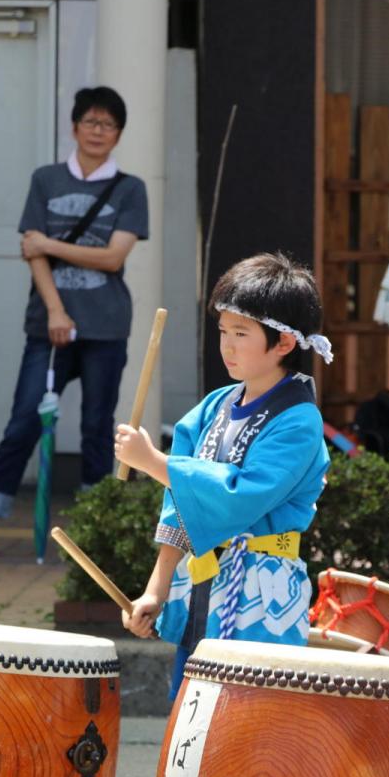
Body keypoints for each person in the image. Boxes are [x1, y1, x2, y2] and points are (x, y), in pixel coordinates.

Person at [0, 86, 148, 559]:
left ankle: (95, 530)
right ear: (74, 127)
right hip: (48, 324)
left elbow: (112, 258)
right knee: (24, 420)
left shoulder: (130, 188)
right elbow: (32, 257)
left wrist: (49, 245)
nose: (98, 131)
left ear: (119, 134)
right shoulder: (46, 180)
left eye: (108, 125)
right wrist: (55, 310)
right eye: (90, 122)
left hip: (107, 326)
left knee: (96, 426)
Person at [117, 252, 332, 699]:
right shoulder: (214, 407)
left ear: (284, 343)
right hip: (201, 587)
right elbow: (180, 509)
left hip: (262, 589)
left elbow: (241, 496)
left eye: (241, 333)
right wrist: (155, 591)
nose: (227, 346)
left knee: (253, 735)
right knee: (191, 727)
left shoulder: (298, 420)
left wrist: (154, 462)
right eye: (223, 332)